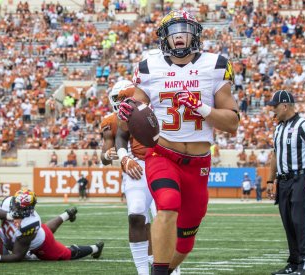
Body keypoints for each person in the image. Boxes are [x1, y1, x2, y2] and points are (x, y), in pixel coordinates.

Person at [118, 10, 239, 275]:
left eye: (184, 29)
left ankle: (159, 271)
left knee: (185, 242)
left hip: (198, 163)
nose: (179, 35)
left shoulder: (215, 64)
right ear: (165, 38)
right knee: (168, 201)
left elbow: (232, 123)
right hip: (163, 154)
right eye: (173, 31)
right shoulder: (148, 67)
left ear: (195, 34)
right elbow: (137, 106)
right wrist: (129, 110)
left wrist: (202, 108)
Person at [265, 90, 305, 275]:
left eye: (274, 106)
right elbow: (275, 155)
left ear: (285, 105)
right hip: (283, 181)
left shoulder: (304, 125)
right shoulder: (278, 128)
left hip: (301, 179)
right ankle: (294, 262)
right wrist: (270, 180)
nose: (272, 110)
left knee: (301, 222)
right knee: (289, 223)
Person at [104, 79, 156, 275]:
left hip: (162, 161)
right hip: (136, 164)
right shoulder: (116, 115)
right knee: (136, 214)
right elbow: (114, 144)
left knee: (162, 218)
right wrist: (121, 157)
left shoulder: (158, 99)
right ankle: (143, 271)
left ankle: (169, 268)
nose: (121, 101)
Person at [0, 189, 104, 262]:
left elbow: (17, 255)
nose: (16, 208)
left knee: (66, 254)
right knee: (45, 228)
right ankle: (67, 215)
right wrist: (9, 216)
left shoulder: (30, 223)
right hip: (30, 234)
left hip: (41, 244)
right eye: (16, 205)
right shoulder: (8, 202)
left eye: (20, 208)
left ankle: (95, 248)